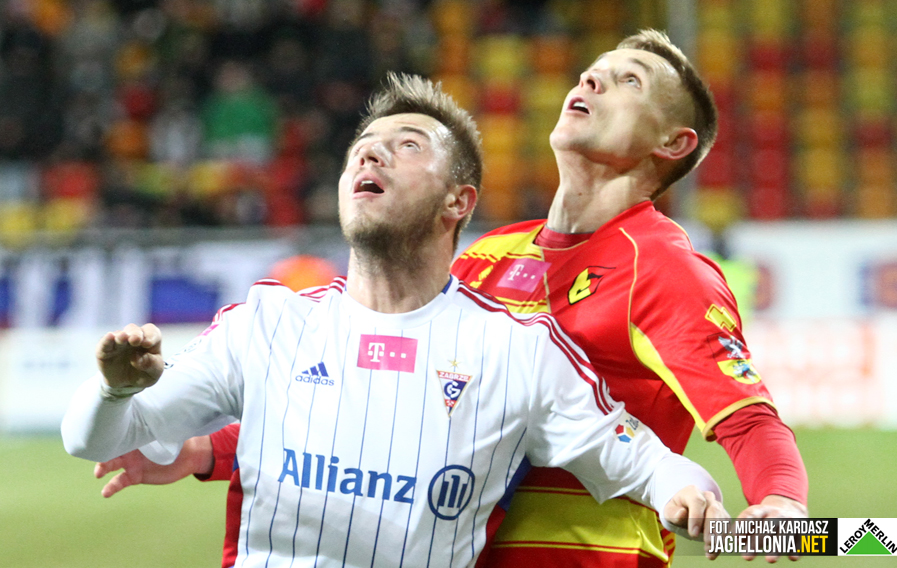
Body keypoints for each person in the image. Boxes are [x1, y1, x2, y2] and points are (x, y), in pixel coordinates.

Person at [97, 30, 809, 566]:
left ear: (673, 143)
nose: (593, 78)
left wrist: (781, 510)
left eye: (629, 81)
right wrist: (207, 450)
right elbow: (385, 401)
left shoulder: (665, 271)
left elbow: (749, 419)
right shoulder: (491, 254)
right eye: (593, 70)